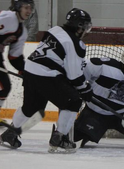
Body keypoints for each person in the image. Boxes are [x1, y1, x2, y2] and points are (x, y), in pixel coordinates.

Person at [0, 8, 93, 154]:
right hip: (46, 75)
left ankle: (11, 132)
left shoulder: (55, 30)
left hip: (30, 70)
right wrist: (84, 89)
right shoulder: (75, 43)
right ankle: (60, 138)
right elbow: (74, 74)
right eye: (85, 26)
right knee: (74, 101)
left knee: (31, 107)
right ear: (79, 26)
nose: (86, 31)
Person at [0, 0, 33, 126]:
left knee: (5, 87)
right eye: (26, 8)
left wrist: (24, 70)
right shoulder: (8, 18)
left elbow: (14, 56)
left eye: (30, 8)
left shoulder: (21, 32)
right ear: (18, 7)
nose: (29, 11)